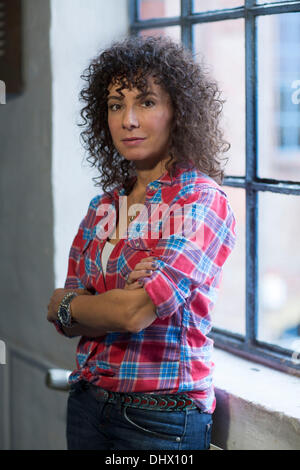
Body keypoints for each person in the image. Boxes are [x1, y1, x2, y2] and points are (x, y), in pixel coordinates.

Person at [47, 35, 236, 451]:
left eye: (146, 102)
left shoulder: (201, 201)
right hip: (86, 405)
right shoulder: (103, 206)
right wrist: (79, 306)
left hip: (159, 419)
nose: (128, 120)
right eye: (116, 105)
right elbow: (62, 317)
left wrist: (81, 305)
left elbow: (133, 314)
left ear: (178, 113)